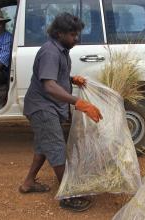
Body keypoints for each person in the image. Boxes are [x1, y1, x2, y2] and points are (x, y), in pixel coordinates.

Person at [19, 13, 103, 212]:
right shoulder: (50, 52)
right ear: (59, 34)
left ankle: (28, 183)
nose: (77, 38)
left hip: (48, 106)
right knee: (56, 148)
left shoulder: (61, 50)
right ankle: (69, 195)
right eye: (73, 35)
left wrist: (72, 79)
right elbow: (49, 85)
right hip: (42, 107)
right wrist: (79, 102)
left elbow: (54, 76)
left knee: (43, 146)